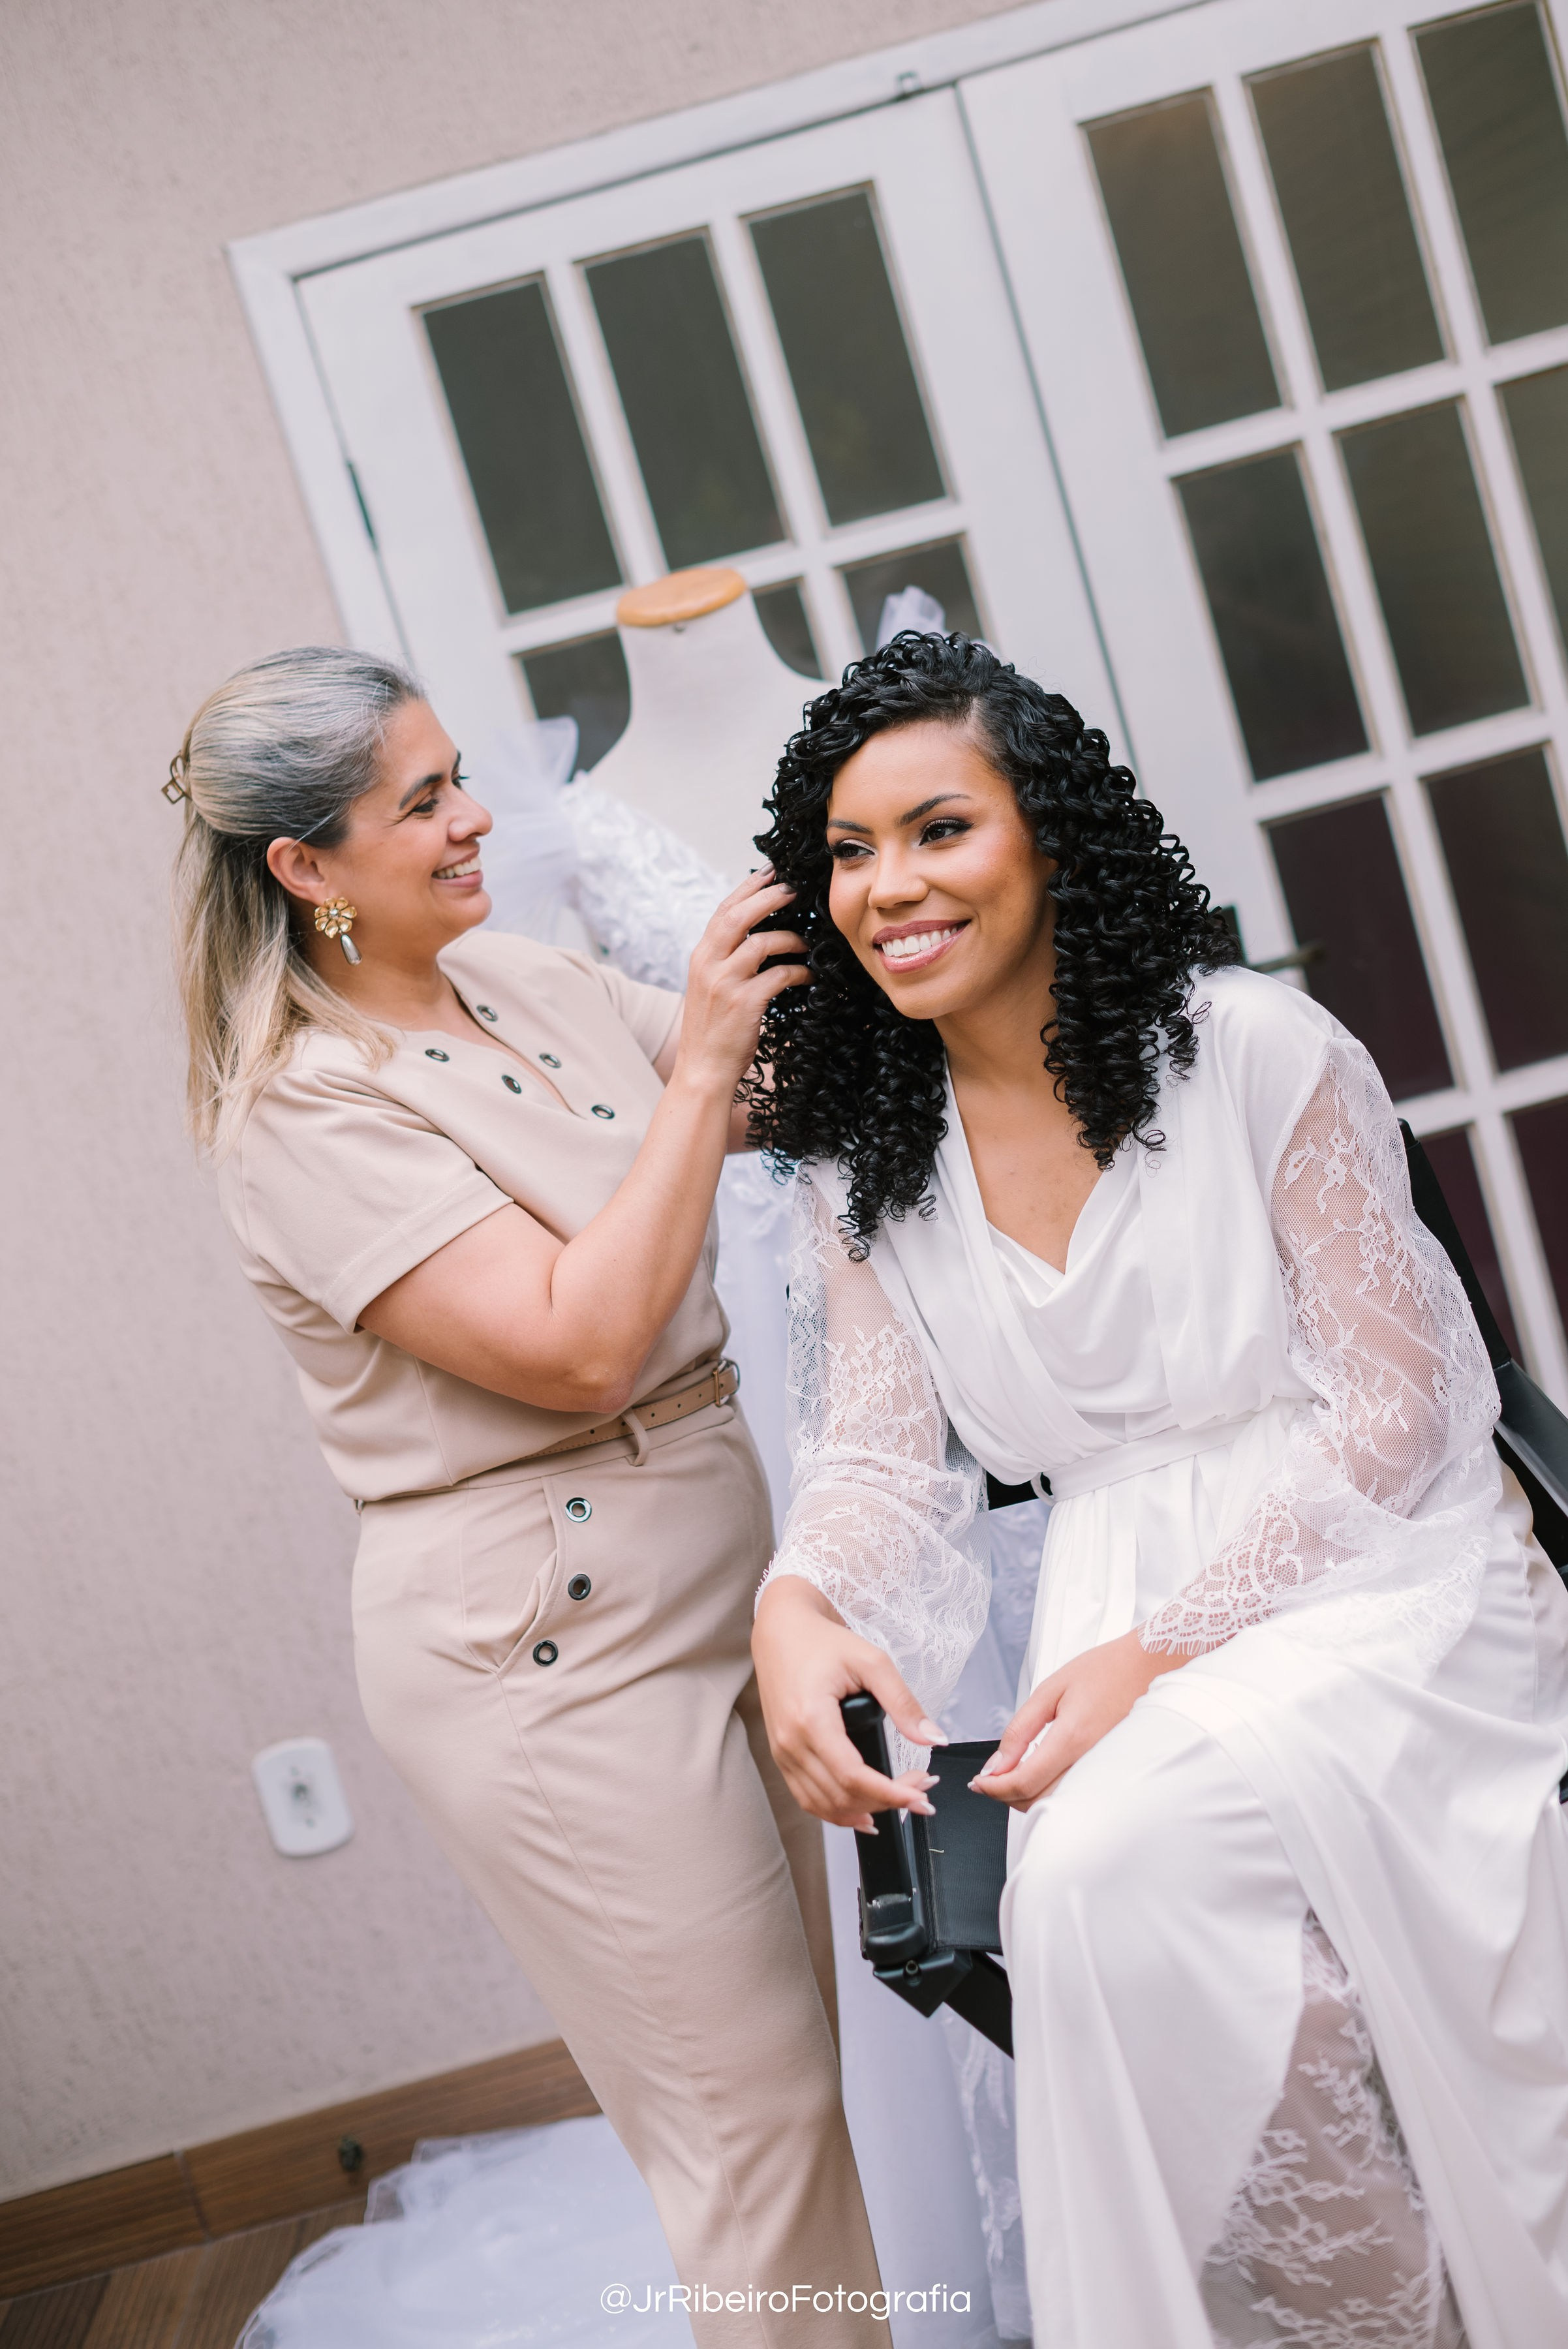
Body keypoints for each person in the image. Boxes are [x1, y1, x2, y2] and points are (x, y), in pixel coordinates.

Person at [748, 631, 1568, 2348]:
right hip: (1118, 1567)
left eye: (936, 831)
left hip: (1373, 1565)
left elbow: (1396, 1415)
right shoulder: (870, 1168)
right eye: (846, 851)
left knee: (1102, 1871)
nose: (886, 885)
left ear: (1050, 838)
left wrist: (1162, 1655)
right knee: (1148, 1919)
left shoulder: (1260, 1048)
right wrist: (794, 1602)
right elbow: (879, 1452)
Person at [167, 645, 889, 2348]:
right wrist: (702, 1070)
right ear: (302, 867)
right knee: (751, 2138)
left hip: (721, 1582)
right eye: (421, 802)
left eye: (454, 775)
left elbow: (788, 1091)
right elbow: (573, 1348)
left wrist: (887, 894)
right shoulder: (298, 1112)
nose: (475, 817)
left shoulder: (522, 981)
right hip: (550, 1663)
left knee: (799, 2099)